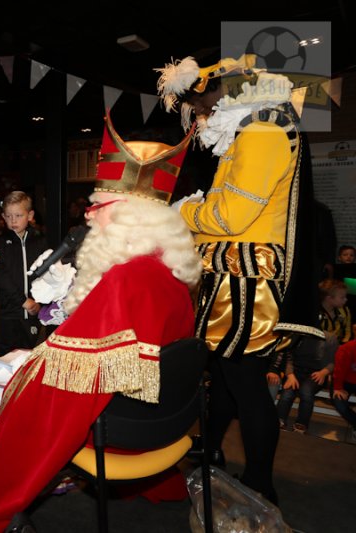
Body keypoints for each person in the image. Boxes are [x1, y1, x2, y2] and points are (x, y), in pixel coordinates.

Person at [0, 116, 201, 532]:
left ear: (131, 217)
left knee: (8, 398)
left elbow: (77, 367)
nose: (88, 214)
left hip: (122, 425)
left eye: (99, 207)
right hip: (162, 418)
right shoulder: (166, 269)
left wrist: (28, 365)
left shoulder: (126, 276)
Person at [157, 54, 324, 502]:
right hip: (231, 274)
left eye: (200, 104)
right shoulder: (252, 128)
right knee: (224, 375)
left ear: (221, 91)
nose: (198, 113)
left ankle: (260, 483)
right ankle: (211, 450)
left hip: (247, 280)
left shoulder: (263, 131)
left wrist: (182, 213)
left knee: (246, 383)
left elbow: (231, 216)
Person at [0, 191, 48, 356]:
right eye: (9, 216)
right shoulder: (0, 243)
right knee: (6, 356)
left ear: (30, 215)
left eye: (18, 215)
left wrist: (39, 302)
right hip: (7, 313)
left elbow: (46, 275)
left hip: (33, 311)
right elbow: (1, 278)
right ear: (3, 217)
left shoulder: (40, 241)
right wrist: (23, 301)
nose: (13, 220)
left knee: (28, 355)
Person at [275, 333, 337, 434]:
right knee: (287, 393)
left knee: (306, 392)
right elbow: (288, 357)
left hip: (317, 372)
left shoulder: (330, 338)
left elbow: (333, 360)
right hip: (295, 371)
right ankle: (279, 419)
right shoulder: (297, 334)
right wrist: (290, 375)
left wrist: (324, 372)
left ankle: (301, 423)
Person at [332, 339, 356, 439]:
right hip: (344, 381)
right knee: (339, 402)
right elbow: (339, 369)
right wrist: (338, 388)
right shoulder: (347, 348)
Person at [318, 279, 352, 344]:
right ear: (329, 299)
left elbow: (348, 332)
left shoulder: (345, 310)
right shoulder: (317, 314)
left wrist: (343, 345)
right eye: (342, 297)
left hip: (341, 345)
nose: (346, 299)